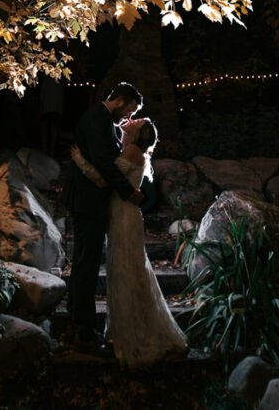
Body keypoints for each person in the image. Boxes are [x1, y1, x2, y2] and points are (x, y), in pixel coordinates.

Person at [72, 117, 189, 368]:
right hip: (121, 215)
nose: (130, 120)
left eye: (136, 121)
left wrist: (80, 161)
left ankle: (134, 335)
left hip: (124, 218)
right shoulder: (130, 149)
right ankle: (123, 331)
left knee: (127, 271)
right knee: (123, 271)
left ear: (138, 133)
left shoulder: (133, 151)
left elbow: (105, 179)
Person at [64, 82, 145, 350]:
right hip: (89, 202)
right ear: (120, 100)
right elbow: (105, 164)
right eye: (129, 110)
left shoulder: (100, 119)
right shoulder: (98, 119)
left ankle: (77, 324)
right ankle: (83, 330)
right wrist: (128, 192)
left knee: (84, 262)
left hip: (89, 201)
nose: (128, 117)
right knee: (86, 265)